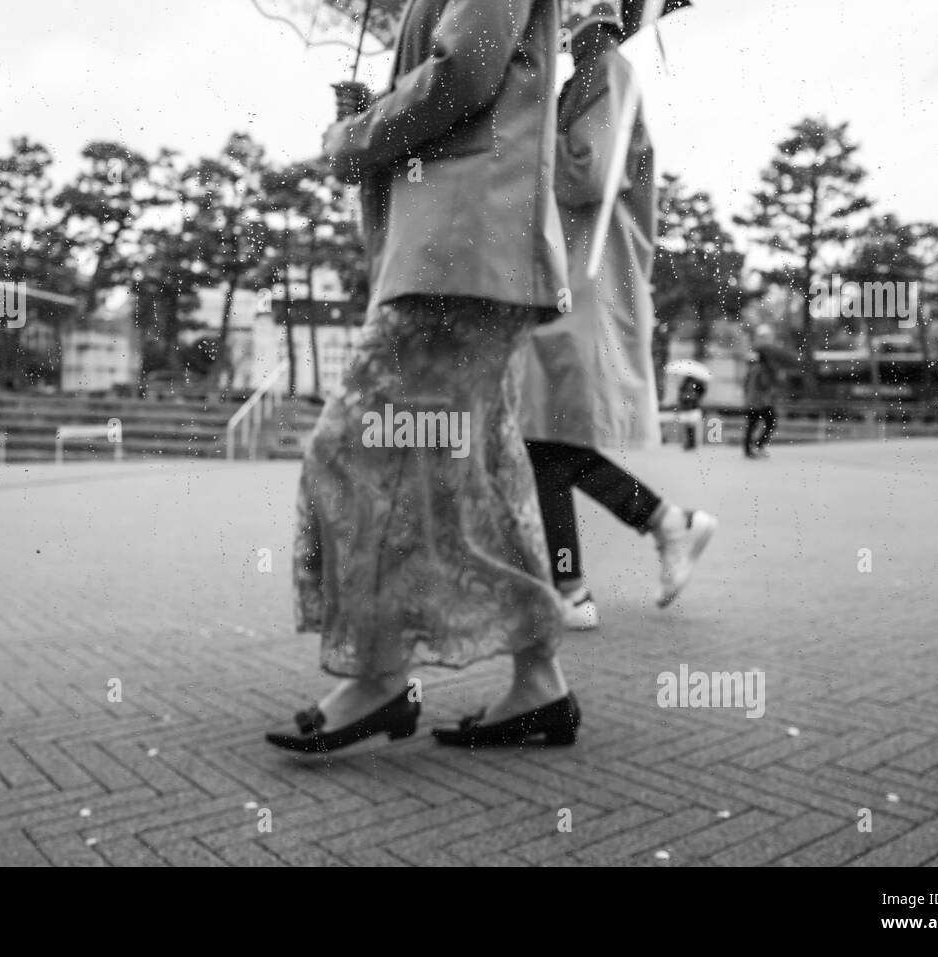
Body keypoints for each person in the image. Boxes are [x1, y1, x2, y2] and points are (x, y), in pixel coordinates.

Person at [266, 0, 581, 754]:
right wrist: (375, 119)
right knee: (481, 470)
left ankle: (377, 676)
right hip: (470, 252)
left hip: (455, 253)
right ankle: (538, 678)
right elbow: (470, 80)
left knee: (351, 452)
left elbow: (464, 76)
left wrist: (357, 135)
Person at [516, 1, 717, 630]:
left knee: (543, 436)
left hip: (589, 283)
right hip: (572, 279)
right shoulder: (585, 80)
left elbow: (592, 176)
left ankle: (577, 583)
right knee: (546, 435)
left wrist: (529, 146)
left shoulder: (608, 73)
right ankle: (654, 531)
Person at [743, 352, 779, 458]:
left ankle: (748, 449)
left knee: (751, 426)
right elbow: (765, 385)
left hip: (750, 402)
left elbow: (746, 387)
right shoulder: (761, 370)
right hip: (761, 403)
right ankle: (759, 444)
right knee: (771, 422)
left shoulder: (751, 371)